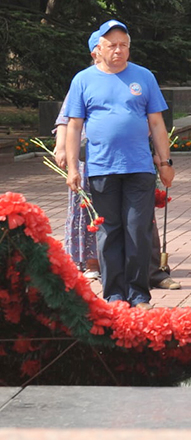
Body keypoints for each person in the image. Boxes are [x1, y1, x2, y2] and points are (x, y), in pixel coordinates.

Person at [64, 20, 174, 309]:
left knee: (138, 230)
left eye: (123, 44)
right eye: (112, 45)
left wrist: (166, 161)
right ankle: (113, 294)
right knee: (108, 232)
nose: (118, 50)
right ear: (98, 49)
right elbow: (74, 126)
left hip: (139, 168)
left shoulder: (144, 77)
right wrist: (73, 168)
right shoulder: (83, 80)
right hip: (101, 169)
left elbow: (157, 123)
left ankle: (139, 294)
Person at [54, 30, 102, 281]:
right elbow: (66, 119)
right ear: (94, 52)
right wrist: (61, 147)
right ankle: (89, 262)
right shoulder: (83, 80)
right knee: (85, 210)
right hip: (84, 157)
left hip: (118, 157)